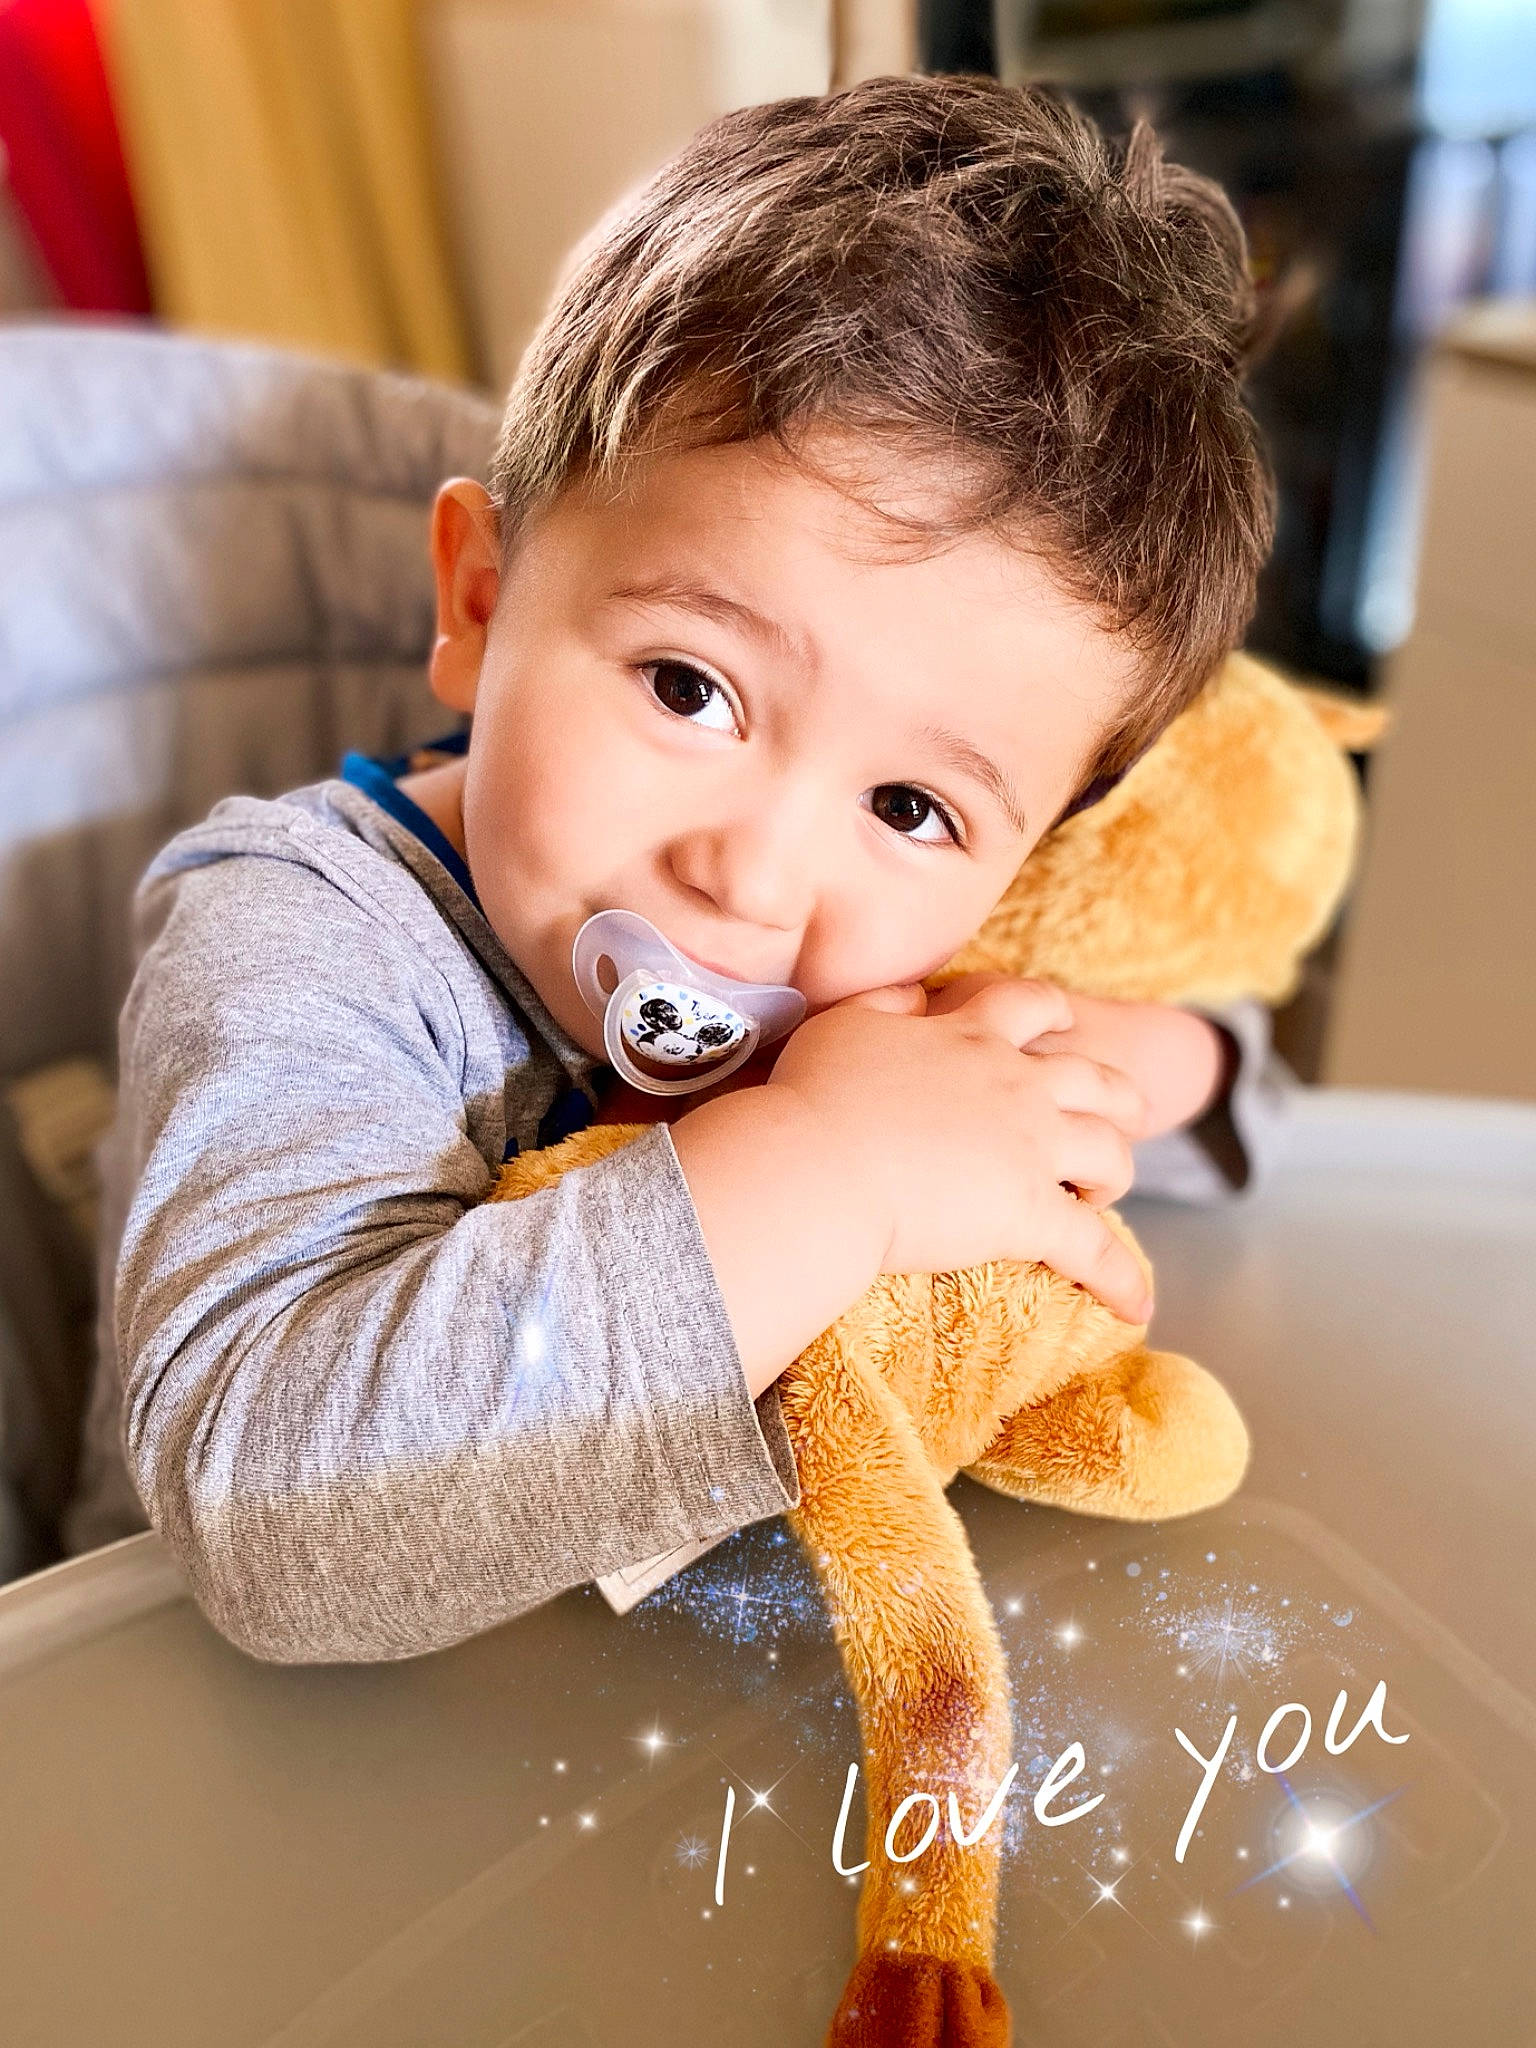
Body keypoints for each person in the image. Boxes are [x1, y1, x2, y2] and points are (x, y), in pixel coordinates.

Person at [90, 75, 1287, 1662]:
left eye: (915, 810)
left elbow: (1242, 1105)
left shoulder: (870, 968)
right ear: (479, 598)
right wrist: (834, 1173)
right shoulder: (297, 934)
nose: (753, 873)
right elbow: (272, 1529)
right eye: (690, 689)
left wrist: (1119, 1062)